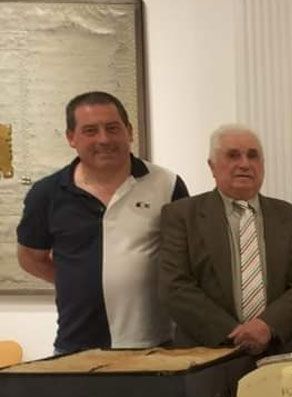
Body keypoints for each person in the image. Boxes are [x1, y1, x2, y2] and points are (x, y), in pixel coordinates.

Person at [16, 91, 189, 353]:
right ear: (71, 138)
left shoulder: (168, 185)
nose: (104, 139)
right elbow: (30, 257)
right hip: (77, 346)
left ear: (129, 132)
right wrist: (77, 281)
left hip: (156, 345)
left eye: (112, 128)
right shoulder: (47, 193)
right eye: (90, 131)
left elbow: (186, 259)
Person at [159, 124, 292, 355]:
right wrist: (234, 332)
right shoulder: (181, 216)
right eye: (233, 155)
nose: (244, 164)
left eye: (253, 156)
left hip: (278, 351)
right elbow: (174, 286)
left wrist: (266, 325)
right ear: (212, 166)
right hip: (208, 354)